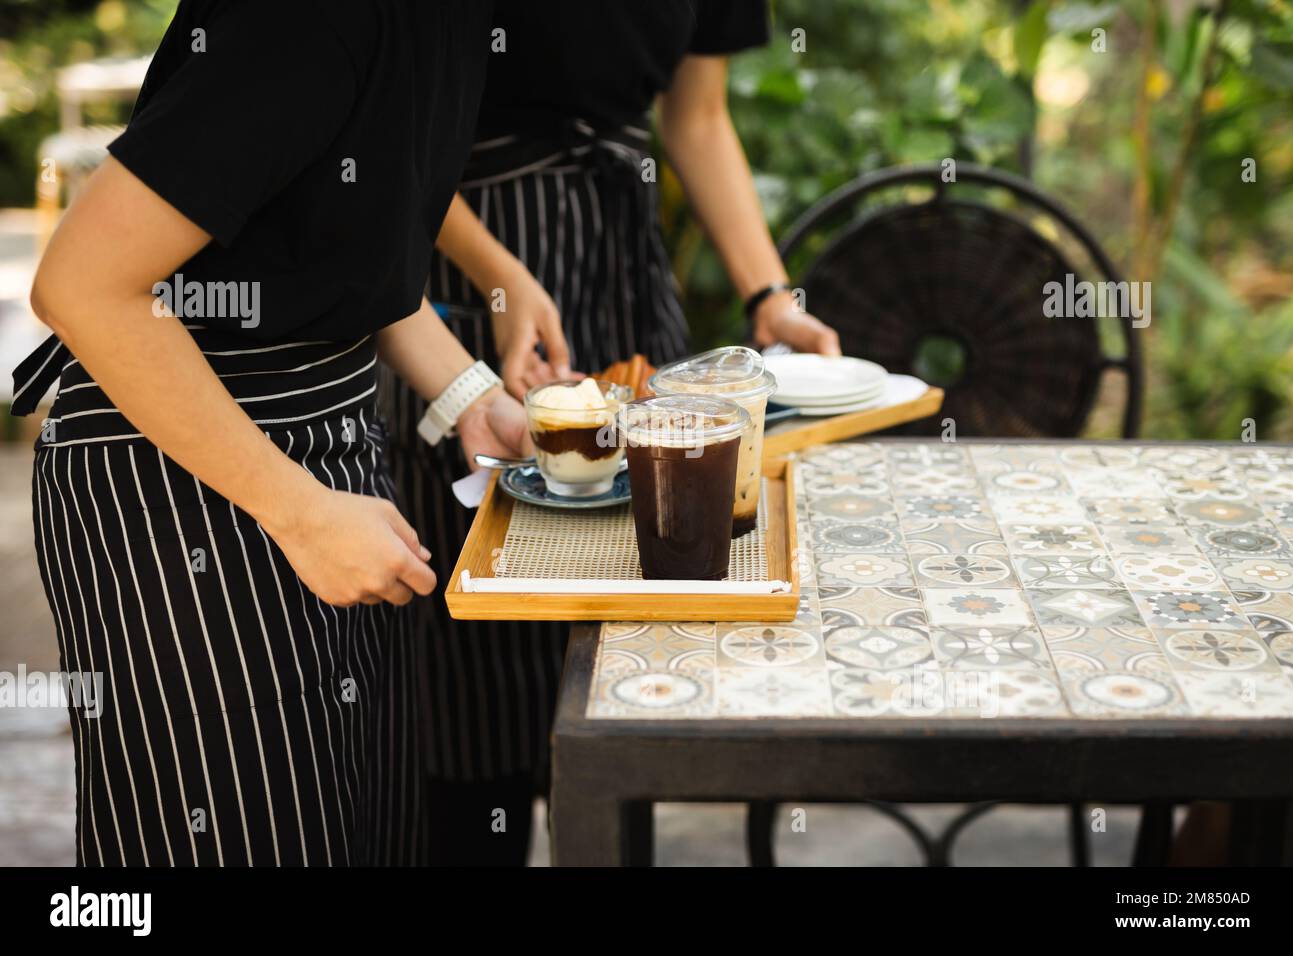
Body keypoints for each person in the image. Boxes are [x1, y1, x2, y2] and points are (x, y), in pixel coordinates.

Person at [12, 0, 530, 866]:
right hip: (179, 484)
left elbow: (343, 248)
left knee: (366, 832)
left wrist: (467, 392)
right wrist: (298, 510)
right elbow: (84, 285)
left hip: (330, 458)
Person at [378, 0, 842, 865]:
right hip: (466, 257)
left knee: (641, 597)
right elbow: (386, 127)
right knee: (479, 636)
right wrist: (503, 278)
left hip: (620, 252)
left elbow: (698, 118)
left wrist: (767, 295)